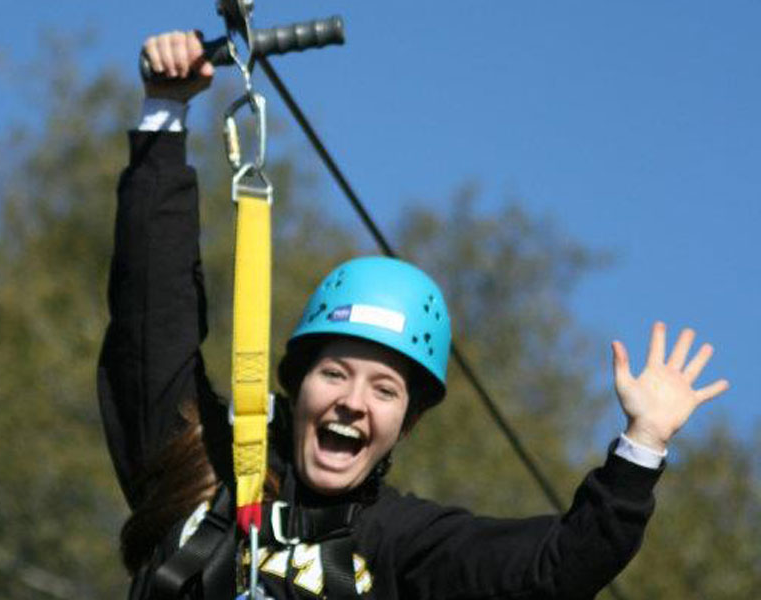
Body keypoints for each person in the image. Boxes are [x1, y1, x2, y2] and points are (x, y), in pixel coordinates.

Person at [97, 30, 730, 600]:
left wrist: (641, 447)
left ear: (406, 423)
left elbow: (556, 568)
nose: (352, 402)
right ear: (298, 383)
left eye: (384, 389)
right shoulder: (200, 467)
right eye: (336, 373)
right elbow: (151, 315)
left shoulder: (402, 543)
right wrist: (164, 115)